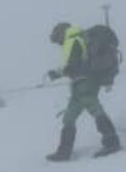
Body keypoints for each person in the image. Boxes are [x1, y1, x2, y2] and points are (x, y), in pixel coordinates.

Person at [45, 22, 121, 161]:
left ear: (61, 33)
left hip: (86, 81)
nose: (59, 43)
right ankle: (64, 152)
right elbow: (74, 63)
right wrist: (58, 72)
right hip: (78, 83)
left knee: (94, 108)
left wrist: (58, 73)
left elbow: (73, 64)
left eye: (57, 39)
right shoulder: (77, 39)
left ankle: (112, 142)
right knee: (69, 117)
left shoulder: (73, 39)